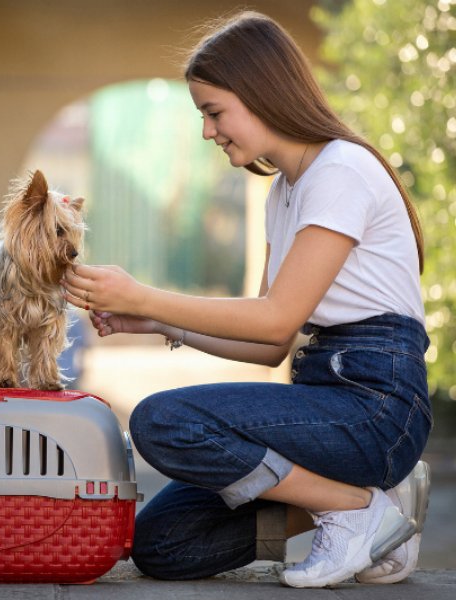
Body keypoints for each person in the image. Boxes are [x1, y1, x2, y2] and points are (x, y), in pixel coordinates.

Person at [61, 11, 432, 589]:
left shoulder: (342, 170)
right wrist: (153, 318)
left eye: (213, 112)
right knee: (164, 546)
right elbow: (270, 344)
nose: (209, 131)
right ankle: (362, 503)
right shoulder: (283, 192)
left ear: (261, 92)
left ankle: (354, 512)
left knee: (163, 420)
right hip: (323, 399)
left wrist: (146, 292)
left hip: (377, 406)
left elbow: (276, 317)